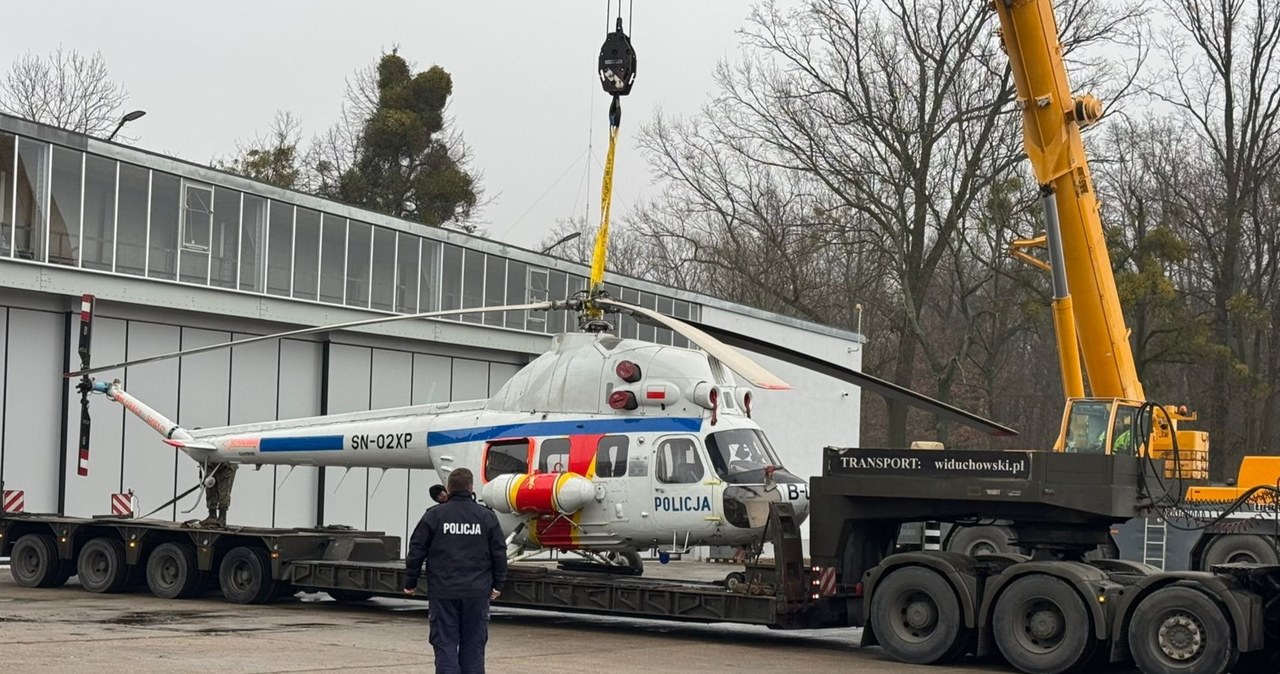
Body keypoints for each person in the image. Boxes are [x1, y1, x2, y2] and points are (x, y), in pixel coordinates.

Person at [404, 468, 507, 674]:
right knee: (473, 648)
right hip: (477, 594)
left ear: (448, 489)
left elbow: (416, 550)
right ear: (471, 488)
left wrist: (410, 582)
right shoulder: (486, 517)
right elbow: (499, 553)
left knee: (445, 645)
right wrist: (498, 584)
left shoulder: (434, 516)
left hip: (443, 593)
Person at [200, 462, 237, 527]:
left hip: (226, 463)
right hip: (212, 461)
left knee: (224, 489)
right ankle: (212, 515)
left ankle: (222, 517)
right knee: (211, 487)